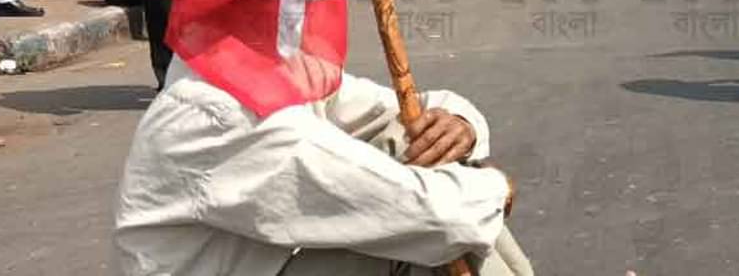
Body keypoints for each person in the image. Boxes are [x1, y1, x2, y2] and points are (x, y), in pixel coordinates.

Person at [114, 58, 532, 276]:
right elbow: (437, 216)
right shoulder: (212, 112)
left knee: (417, 142)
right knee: (442, 223)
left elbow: (406, 112)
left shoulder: (277, 70)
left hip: (278, 264)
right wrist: (496, 186)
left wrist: (463, 125)